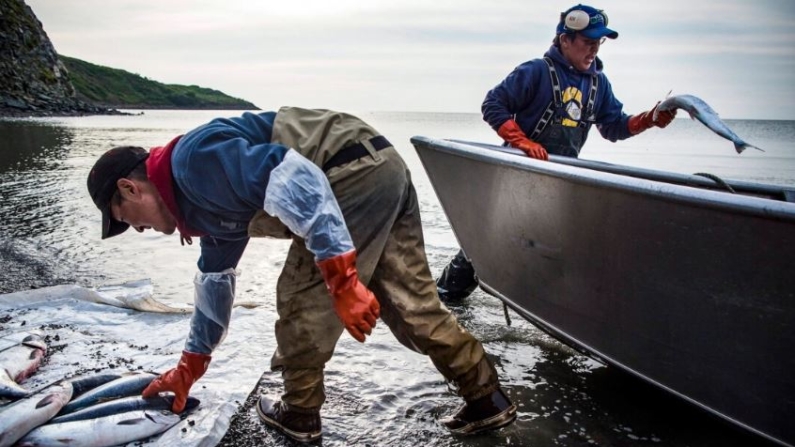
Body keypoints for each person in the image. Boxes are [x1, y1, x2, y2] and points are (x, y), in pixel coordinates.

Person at [86, 107, 517, 443]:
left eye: (124, 218)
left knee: (300, 299)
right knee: (412, 303)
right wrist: (189, 366)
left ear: (130, 187)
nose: (135, 229)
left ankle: (299, 413)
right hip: (380, 164)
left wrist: (343, 280)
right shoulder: (201, 207)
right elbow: (214, 287)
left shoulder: (193, 163)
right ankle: (485, 396)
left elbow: (298, 178)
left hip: (344, 172)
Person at [436, 4, 677, 301]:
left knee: (553, 251)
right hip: (517, 176)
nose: (594, 50)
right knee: (487, 245)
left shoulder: (598, 84)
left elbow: (614, 127)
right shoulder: (536, 72)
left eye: (598, 43)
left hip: (559, 183)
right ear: (565, 39)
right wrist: (522, 142)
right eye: (588, 42)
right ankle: (446, 299)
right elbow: (493, 104)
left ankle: (558, 316)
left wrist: (649, 119)